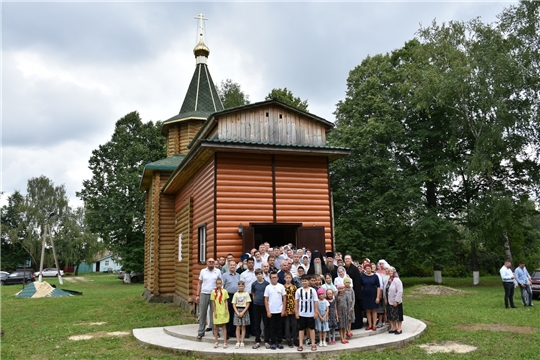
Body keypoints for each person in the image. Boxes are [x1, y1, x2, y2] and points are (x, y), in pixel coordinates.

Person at [196, 258, 222, 339]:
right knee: (202, 313)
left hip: (214, 294)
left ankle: (215, 332)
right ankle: (201, 332)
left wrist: (220, 294)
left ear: (214, 263)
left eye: (212, 262)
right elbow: (199, 283)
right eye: (209, 262)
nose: (211, 263)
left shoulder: (217, 271)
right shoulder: (203, 271)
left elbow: (220, 283)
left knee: (214, 314)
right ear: (207, 263)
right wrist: (197, 295)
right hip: (204, 293)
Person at [295, 275, 319, 352]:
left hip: (310, 313)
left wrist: (316, 312)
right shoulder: (299, 290)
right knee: (301, 329)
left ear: (308, 281)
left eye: (305, 281)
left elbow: (315, 302)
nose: (304, 282)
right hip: (301, 313)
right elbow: (296, 302)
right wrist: (296, 312)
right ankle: (300, 345)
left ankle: (313, 344)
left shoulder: (313, 290)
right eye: (303, 281)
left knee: (311, 329)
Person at [264, 272, 286, 350]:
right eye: (272, 277)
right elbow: (266, 300)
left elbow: (284, 299)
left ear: (278, 278)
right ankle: (273, 342)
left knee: (279, 327)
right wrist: (268, 311)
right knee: (272, 327)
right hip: (271, 311)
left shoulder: (281, 286)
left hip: (279, 311)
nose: (274, 279)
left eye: (275, 277)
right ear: (270, 278)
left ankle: (279, 342)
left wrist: (283, 310)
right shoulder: (268, 287)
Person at [250, 268, 269, 349]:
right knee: (257, 323)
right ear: (255, 275)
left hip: (264, 305)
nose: (259, 276)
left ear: (262, 274)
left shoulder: (267, 284)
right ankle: (257, 341)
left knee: (266, 323)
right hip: (256, 305)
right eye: (257, 274)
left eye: (260, 274)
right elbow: (253, 294)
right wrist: (255, 301)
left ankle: (267, 340)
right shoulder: (254, 284)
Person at [344, 254, 363, 329]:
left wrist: (356, 293)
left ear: (351, 259)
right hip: (346, 292)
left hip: (354, 291)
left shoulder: (354, 269)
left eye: (348, 259)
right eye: (346, 259)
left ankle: (357, 324)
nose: (347, 260)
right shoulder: (344, 268)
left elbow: (357, 282)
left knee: (355, 309)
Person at [222, 259, 240, 338]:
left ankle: (233, 331)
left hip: (236, 296)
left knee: (234, 314)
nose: (232, 266)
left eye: (234, 265)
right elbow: (222, 286)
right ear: (229, 266)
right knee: (228, 313)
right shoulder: (225, 275)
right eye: (231, 265)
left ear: (236, 266)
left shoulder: (238, 275)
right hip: (228, 296)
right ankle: (227, 332)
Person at [361, 263, 381, 331]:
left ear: (371, 269)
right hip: (366, 295)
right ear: (365, 269)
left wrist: (378, 297)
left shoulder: (375, 276)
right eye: (366, 269)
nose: (368, 270)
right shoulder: (363, 276)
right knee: (368, 310)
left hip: (373, 295)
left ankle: (374, 325)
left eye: (369, 268)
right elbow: (361, 286)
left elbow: (378, 287)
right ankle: (369, 325)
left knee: (374, 310)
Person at [384, 267, 404, 335]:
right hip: (388, 300)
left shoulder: (397, 280)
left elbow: (400, 291)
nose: (390, 272)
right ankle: (394, 327)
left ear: (394, 272)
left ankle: (399, 328)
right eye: (389, 271)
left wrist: (396, 301)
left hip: (395, 301)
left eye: (391, 271)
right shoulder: (387, 279)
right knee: (391, 314)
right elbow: (385, 290)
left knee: (398, 315)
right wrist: (385, 298)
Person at [232, 280, 251, 349]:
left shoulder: (246, 294)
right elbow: (233, 304)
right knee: (237, 327)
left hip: (244, 311)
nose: (241, 287)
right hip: (237, 310)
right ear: (238, 286)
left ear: (244, 286)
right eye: (239, 286)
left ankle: (242, 341)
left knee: (243, 327)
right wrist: (237, 312)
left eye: (242, 286)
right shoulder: (236, 294)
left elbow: (248, 303)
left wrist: (243, 312)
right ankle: (238, 341)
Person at [211, 278, 229, 348]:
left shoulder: (224, 291)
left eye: (220, 283)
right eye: (217, 283)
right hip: (217, 311)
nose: (219, 285)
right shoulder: (213, 292)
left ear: (222, 284)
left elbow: (226, 301)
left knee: (224, 326)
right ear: (216, 284)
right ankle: (216, 341)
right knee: (216, 327)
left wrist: (227, 309)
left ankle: (225, 342)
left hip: (223, 310)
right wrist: (214, 311)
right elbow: (213, 302)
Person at [283, 272, 298, 347]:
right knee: (287, 325)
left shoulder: (294, 287)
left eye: (289, 278)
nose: (288, 279)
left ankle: (295, 339)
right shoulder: (282, 287)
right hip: (286, 308)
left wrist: (295, 308)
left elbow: (296, 298)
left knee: (294, 325)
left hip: (293, 308)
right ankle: (288, 340)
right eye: (287, 278)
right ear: (284, 278)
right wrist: (284, 309)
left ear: (291, 278)